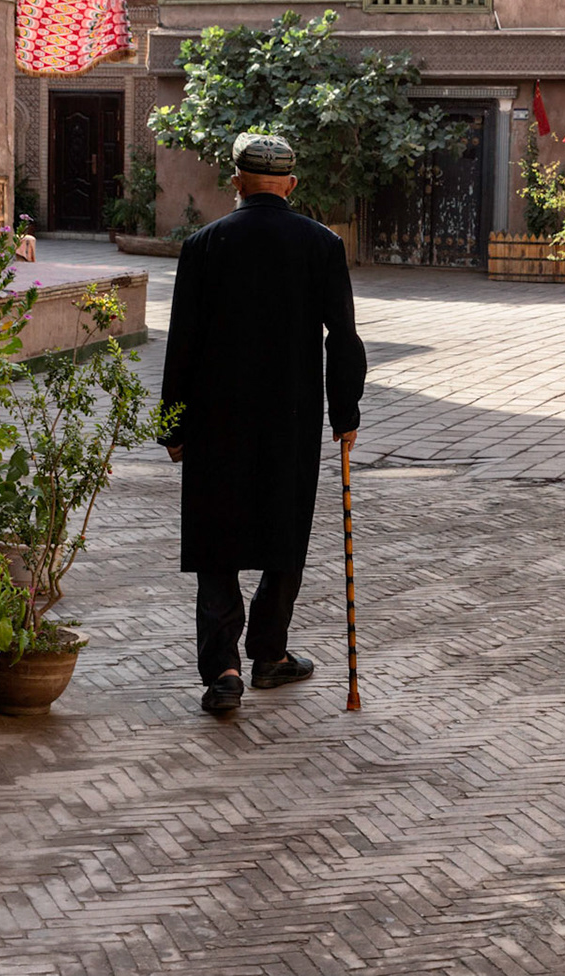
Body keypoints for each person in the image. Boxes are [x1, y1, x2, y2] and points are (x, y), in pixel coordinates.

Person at [159, 133, 367, 716]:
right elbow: (342, 337)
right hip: (291, 417)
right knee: (284, 534)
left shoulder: (203, 245)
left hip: (215, 417)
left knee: (216, 541)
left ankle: (224, 669)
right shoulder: (321, 244)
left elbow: (182, 344)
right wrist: (345, 411)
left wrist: (173, 424)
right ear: (291, 186)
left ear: (236, 182)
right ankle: (270, 654)